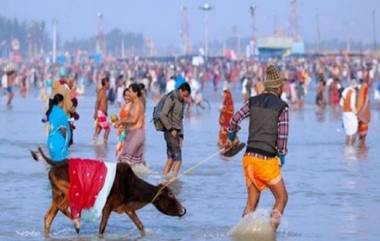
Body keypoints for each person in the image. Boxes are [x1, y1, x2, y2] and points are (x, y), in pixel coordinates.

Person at [227, 65, 289, 232]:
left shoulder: (253, 101)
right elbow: (282, 137)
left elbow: (234, 120)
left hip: (249, 160)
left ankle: (239, 233)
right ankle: (270, 234)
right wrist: (281, 155)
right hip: (266, 160)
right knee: (282, 198)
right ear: (279, 87)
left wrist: (232, 136)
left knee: (251, 204)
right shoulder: (282, 106)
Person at [160, 82, 191, 177]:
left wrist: (181, 136)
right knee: (178, 160)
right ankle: (173, 180)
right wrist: (170, 129)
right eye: (184, 95)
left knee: (171, 158)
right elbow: (162, 114)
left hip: (176, 133)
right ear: (181, 90)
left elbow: (180, 120)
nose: (185, 98)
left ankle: (164, 178)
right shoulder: (172, 98)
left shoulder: (182, 102)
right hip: (170, 133)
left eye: (186, 96)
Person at [116, 83, 146, 165]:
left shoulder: (138, 104)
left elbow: (134, 119)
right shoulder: (133, 103)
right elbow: (129, 118)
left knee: (126, 160)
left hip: (137, 134)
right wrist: (120, 124)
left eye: (130, 91)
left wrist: (121, 121)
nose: (128, 93)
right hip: (131, 134)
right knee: (135, 162)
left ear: (135, 93)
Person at [46, 93, 71, 162]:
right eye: (63, 102)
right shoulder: (60, 113)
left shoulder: (52, 112)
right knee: (61, 168)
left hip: (51, 142)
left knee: (54, 167)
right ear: (61, 102)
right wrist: (67, 141)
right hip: (58, 144)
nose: (63, 104)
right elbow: (63, 129)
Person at [93, 77, 111, 144]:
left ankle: (94, 142)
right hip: (100, 113)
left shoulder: (104, 91)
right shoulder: (102, 91)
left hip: (102, 113)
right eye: (108, 83)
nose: (109, 84)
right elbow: (97, 102)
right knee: (107, 129)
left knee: (98, 129)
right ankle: (105, 144)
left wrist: (106, 112)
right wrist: (95, 113)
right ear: (105, 83)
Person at [356, 78, 371, 146]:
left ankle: (362, 148)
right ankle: (362, 148)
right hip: (361, 112)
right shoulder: (363, 87)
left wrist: (361, 112)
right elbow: (366, 100)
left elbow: (366, 100)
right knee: (361, 134)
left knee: (362, 134)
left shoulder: (363, 87)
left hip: (362, 112)